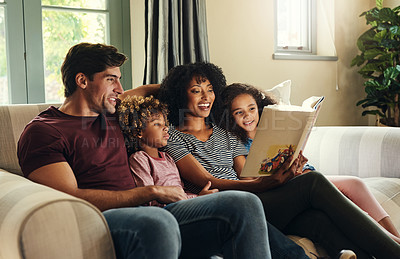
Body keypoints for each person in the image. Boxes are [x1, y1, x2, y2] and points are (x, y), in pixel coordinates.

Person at [17, 43, 274, 259]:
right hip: (106, 219)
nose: (120, 89)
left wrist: (184, 89)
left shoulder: (118, 114)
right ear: (82, 80)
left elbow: (154, 91)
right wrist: (150, 191)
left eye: (120, 80)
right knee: (156, 222)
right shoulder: (45, 131)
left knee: (244, 203)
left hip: (156, 209)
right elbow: (68, 199)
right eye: (111, 80)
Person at [157, 61, 400, 259]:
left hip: (255, 197)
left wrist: (282, 172)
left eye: (210, 89)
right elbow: (206, 180)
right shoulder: (172, 136)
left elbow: (245, 172)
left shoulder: (225, 132)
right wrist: (262, 185)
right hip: (233, 207)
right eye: (195, 90)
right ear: (180, 94)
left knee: (317, 220)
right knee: (313, 181)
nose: (205, 96)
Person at [220, 82, 400, 245]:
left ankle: (394, 236)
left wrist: (298, 161)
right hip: (285, 187)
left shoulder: (273, 128)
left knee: (355, 183)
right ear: (230, 117)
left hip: (302, 174)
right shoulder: (237, 143)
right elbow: (247, 177)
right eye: (239, 112)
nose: (248, 116)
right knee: (340, 198)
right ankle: (389, 239)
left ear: (259, 107)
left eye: (251, 109)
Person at [118, 95, 218, 206]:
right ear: (138, 132)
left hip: (184, 204)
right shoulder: (140, 159)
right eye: (157, 124)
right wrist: (193, 201)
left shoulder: (168, 158)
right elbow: (148, 197)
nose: (165, 128)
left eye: (165, 124)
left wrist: (199, 197)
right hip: (167, 209)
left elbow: (181, 192)